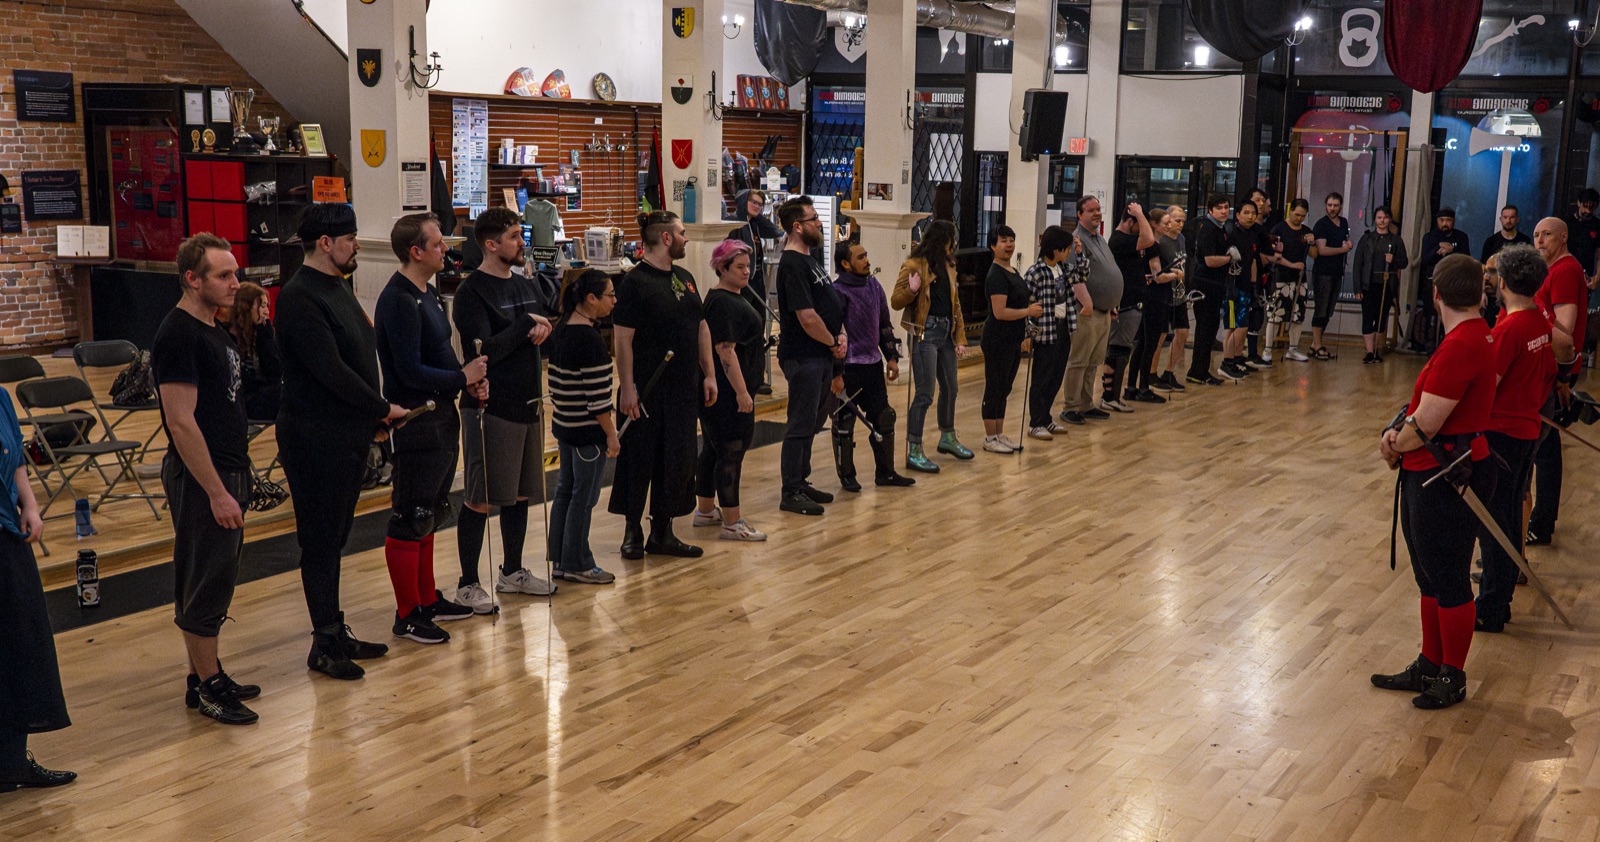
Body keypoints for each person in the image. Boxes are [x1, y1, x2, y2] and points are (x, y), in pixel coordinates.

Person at [276, 202, 405, 680]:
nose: (356, 247)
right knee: (320, 541)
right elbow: (329, 370)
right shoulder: (299, 296)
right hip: (314, 437)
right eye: (350, 239)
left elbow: (358, 358)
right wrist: (380, 407)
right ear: (326, 243)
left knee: (336, 538)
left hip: (345, 433)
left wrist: (371, 417)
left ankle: (334, 628)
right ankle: (324, 643)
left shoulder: (338, 287)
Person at [1373, 254, 1496, 710]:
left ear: (1436, 293)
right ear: (1479, 294)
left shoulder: (1463, 343)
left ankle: (1452, 674)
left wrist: (1393, 442)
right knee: (1429, 574)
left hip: (1446, 472)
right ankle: (1430, 662)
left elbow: (1426, 423)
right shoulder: (1473, 334)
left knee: (1447, 575)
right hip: (1432, 468)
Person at [152, 233, 259, 723]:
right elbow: (180, 422)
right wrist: (216, 491)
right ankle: (209, 686)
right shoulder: (180, 334)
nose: (236, 283)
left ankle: (203, 675)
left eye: (235, 273)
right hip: (202, 477)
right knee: (204, 582)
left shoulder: (212, 327)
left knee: (217, 577)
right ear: (192, 279)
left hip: (226, 469)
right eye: (224, 275)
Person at [375, 213, 489, 645]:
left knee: (433, 509)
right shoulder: (398, 300)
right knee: (411, 514)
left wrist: (466, 381)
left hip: (442, 414)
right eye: (438, 244)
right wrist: (461, 377)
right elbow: (408, 370)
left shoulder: (429, 292)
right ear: (416, 251)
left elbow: (440, 356)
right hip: (416, 419)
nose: (446, 249)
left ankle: (426, 599)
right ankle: (407, 613)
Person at [450, 206, 556, 610]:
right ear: (491, 245)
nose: (521, 242)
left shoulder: (526, 283)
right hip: (489, 406)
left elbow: (540, 329)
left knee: (521, 494)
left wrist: (543, 328)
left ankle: (512, 571)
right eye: (513, 236)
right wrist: (526, 325)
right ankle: (467, 582)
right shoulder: (472, 292)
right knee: (481, 496)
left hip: (528, 401)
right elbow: (484, 352)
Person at [609, 210, 717, 558]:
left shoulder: (685, 277)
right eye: (682, 233)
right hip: (646, 388)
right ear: (666, 238)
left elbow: (701, 326)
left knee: (677, 459)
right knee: (639, 459)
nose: (686, 238)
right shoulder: (635, 283)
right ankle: (632, 531)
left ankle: (663, 531)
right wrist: (627, 387)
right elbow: (622, 339)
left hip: (683, 388)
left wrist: (709, 373)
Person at [1474, 245, 1558, 633]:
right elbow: (1548, 374)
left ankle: (1491, 606)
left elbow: (1485, 389)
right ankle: (1499, 599)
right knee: (1506, 517)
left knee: (1494, 523)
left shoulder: (1509, 329)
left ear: (1504, 282)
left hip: (1502, 434)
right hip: (1525, 429)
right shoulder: (1539, 321)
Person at [0, 383, 74, 791]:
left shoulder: (0, 397)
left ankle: (12, 763)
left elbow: (15, 461)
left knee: (22, 645)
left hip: (7, 532)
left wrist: (29, 503)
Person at [546, 270, 621, 583]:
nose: (614, 301)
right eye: (610, 295)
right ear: (591, 299)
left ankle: (561, 560)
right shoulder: (589, 339)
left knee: (565, 491)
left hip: (565, 426)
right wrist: (611, 435)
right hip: (587, 433)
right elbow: (598, 400)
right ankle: (578, 562)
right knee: (584, 497)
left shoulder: (561, 329)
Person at [774, 196, 847, 515]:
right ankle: (790, 490)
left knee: (813, 422)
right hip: (803, 356)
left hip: (822, 355)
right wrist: (832, 341)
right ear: (797, 226)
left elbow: (828, 303)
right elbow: (806, 316)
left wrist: (841, 333)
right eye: (813, 218)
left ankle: (801, 481)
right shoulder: (791, 263)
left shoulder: (810, 259)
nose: (820, 222)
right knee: (800, 423)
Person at [691, 240, 768, 538]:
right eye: (739, 267)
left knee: (714, 449)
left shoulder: (726, 297)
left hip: (725, 392)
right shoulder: (723, 302)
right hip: (728, 394)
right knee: (731, 451)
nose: (746, 272)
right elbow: (725, 351)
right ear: (722, 268)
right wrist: (741, 392)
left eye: (748, 266)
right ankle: (733, 522)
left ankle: (706, 510)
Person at [1526, 216, 1591, 546]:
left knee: (1542, 449)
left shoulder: (1565, 270)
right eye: (1536, 235)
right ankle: (1542, 519)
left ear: (1563, 237)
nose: (1539, 240)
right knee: (1546, 448)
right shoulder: (1553, 269)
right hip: (1549, 368)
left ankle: (1540, 522)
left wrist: (1527, 320)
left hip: (1555, 369)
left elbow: (1564, 331)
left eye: (1547, 234)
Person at [832, 241, 916, 486]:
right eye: (860, 257)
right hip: (849, 368)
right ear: (846, 263)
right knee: (845, 423)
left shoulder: (874, 285)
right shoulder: (836, 292)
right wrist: (836, 373)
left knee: (884, 417)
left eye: (866, 255)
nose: (867, 260)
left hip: (872, 366)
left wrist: (891, 357)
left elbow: (884, 325)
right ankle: (847, 477)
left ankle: (886, 473)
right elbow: (834, 337)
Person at [892, 219, 970, 468]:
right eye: (951, 239)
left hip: (946, 332)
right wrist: (912, 290)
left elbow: (955, 304)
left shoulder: (949, 265)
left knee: (951, 388)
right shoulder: (914, 265)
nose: (953, 244)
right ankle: (914, 448)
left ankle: (947, 437)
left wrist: (960, 337)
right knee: (925, 393)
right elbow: (896, 300)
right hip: (924, 334)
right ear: (943, 240)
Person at [978, 226, 1041, 452]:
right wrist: (1028, 312)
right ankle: (989, 438)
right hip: (997, 339)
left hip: (1013, 338)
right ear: (993, 245)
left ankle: (999, 433)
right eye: (1004, 240)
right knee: (994, 387)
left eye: (1011, 240)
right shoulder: (996, 275)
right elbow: (1000, 312)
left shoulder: (1012, 271)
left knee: (1005, 388)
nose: (1009, 245)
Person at [1062, 195, 1121, 422]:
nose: (1097, 213)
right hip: (1086, 311)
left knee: (1094, 361)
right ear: (1079, 214)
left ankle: (1086, 404)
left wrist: (1110, 303)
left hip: (1103, 311)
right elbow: (1074, 276)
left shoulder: (1099, 238)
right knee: (1079, 361)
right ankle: (1071, 406)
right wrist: (1087, 303)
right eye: (1091, 210)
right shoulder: (1076, 241)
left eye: (1098, 209)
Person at [1024, 225, 1087, 439]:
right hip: (1045, 331)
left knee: (1056, 376)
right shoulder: (1035, 272)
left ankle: (1046, 418)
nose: (1068, 252)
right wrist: (1027, 334)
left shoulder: (1064, 269)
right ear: (1055, 249)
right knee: (1041, 377)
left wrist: (1079, 253)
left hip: (1063, 328)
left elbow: (1083, 274)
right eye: (1066, 249)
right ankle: (1035, 422)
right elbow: (1026, 303)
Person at [726, 188, 782, 394]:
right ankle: (742, 379)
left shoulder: (756, 225)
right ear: (743, 202)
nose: (757, 206)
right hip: (742, 285)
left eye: (760, 204)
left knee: (758, 330)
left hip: (757, 281)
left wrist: (757, 217)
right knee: (744, 332)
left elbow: (775, 231)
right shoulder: (734, 223)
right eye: (753, 202)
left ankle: (756, 378)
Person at [1106, 202, 1160, 407]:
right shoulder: (1120, 239)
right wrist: (1139, 213)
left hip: (1132, 301)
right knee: (1118, 350)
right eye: (1140, 223)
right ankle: (1110, 397)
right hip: (1125, 303)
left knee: (1123, 350)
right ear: (1130, 222)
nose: (1143, 228)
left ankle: (1113, 397)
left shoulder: (1127, 240)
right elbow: (1149, 239)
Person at [1352, 206, 1410, 364]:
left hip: (1386, 285)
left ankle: (1376, 350)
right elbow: (1357, 264)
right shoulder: (1366, 239)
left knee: (1381, 318)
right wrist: (1357, 287)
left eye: (1385, 217)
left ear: (1389, 219)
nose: (1382, 220)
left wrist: (1394, 260)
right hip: (1368, 285)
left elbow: (1404, 262)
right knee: (1367, 317)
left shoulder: (1396, 240)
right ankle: (1369, 352)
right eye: (1379, 217)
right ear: (1375, 219)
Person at [1186, 195, 1233, 386]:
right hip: (1205, 285)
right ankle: (1197, 372)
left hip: (1215, 285)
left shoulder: (1220, 228)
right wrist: (1230, 258)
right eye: (1219, 208)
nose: (1224, 211)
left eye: (1226, 207)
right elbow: (1210, 260)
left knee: (1209, 330)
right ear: (1210, 210)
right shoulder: (1208, 229)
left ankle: (1200, 371)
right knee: (1205, 330)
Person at [1265, 199, 1317, 363]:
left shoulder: (1306, 231)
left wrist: (1312, 243)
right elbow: (1273, 254)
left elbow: (1314, 254)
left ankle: (1293, 349)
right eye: (1297, 214)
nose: (1299, 218)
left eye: (1303, 216)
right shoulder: (1278, 229)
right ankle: (1267, 349)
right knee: (1275, 314)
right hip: (1281, 277)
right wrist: (1292, 265)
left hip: (1299, 279)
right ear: (1291, 211)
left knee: (1298, 315)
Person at [1219, 199, 1264, 380]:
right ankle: (1227, 362)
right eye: (1246, 212)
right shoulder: (1231, 232)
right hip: (1232, 287)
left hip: (1245, 286)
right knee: (1235, 326)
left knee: (1242, 327)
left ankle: (1237, 359)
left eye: (1253, 213)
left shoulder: (1252, 234)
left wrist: (1254, 285)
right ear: (1237, 215)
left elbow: (1252, 261)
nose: (1250, 216)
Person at [1414, 208, 1471, 352]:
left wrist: (1452, 250)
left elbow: (1466, 259)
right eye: (1442, 220)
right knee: (1432, 314)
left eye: (1448, 220)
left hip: (1454, 282)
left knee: (1452, 313)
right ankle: (1430, 346)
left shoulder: (1461, 237)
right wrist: (1437, 250)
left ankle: (1449, 345)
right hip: (1432, 281)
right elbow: (1425, 259)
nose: (1445, 223)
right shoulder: (1429, 237)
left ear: (1453, 221)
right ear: (1437, 221)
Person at [224, 282, 281, 421]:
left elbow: (274, 373)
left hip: (264, 394)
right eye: (262, 306)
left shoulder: (261, 333)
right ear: (246, 307)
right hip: (243, 401)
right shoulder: (227, 337)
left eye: (267, 306)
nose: (266, 312)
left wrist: (265, 334)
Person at [1150, 206, 1190, 390]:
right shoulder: (1161, 241)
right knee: (1160, 335)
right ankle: (1151, 373)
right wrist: (1173, 273)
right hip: (1164, 294)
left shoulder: (1181, 239)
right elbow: (1157, 270)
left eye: (1183, 221)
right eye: (1176, 221)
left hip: (1179, 294)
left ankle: (1169, 372)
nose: (1180, 225)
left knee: (1183, 332)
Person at [1310, 192, 1353, 361]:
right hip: (1323, 272)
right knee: (1321, 308)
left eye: (1335, 205)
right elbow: (1322, 250)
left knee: (1329, 310)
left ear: (1340, 206)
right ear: (1325, 206)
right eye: (1329, 205)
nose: (1332, 208)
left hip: (1337, 271)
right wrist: (1343, 249)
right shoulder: (1321, 224)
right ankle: (1317, 344)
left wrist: (1347, 245)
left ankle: (1315, 343)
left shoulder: (1344, 222)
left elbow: (1344, 241)